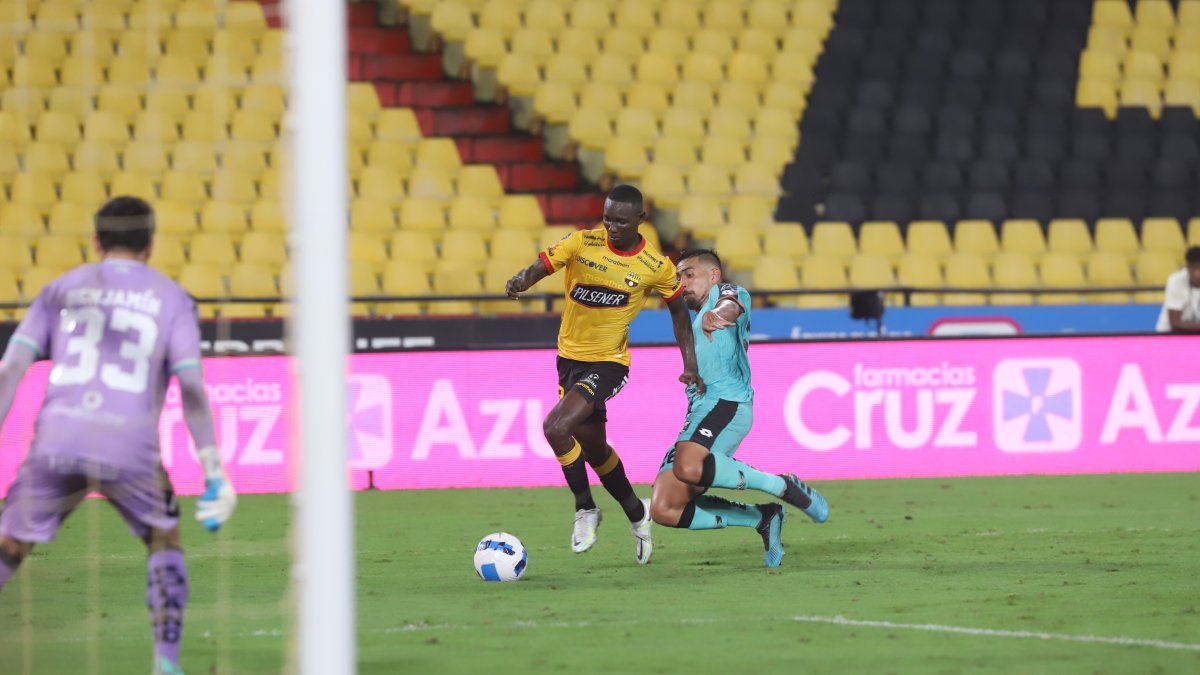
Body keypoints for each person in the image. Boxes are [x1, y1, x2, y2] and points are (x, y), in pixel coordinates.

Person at [0, 197, 237, 675]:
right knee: (164, 540)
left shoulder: (58, 290)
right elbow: (191, 383)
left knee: (9, 546)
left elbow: (11, 369)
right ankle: (165, 665)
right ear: (150, 246)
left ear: (95, 241)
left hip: (58, 438)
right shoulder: (172, 298)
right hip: (130, 445)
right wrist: (214, 471)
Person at [505, 185, 702, 565]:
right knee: (595, 450)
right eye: (607, 217)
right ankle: (637, 513)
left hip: (610, 363)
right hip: (569, 360)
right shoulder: (582, 243)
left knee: (555, 428)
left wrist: (689, 364)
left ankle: (585, 509)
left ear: (640, 220)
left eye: (621, 220)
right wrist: (520, 281)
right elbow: (542, 266)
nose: (611, 226)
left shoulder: (654, 265)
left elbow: (679, 312)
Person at [649, 249, 828, 568]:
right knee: (664, 507)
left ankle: (781, 485)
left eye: (689, 274)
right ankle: (762, 517)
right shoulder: (690, 327)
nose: (682, 283)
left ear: (713, 276)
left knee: (689, 467)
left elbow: (731, 305)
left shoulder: (726, 294)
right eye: (678, 277)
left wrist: (717, 313)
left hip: (728, 403)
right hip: (699, 413)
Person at [1156, 245, 1200, 334]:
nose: (1197, 273)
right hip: (1169, 334)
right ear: (1187, 267)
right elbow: (1175, 323)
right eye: (1193, 268)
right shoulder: (1176, 281)